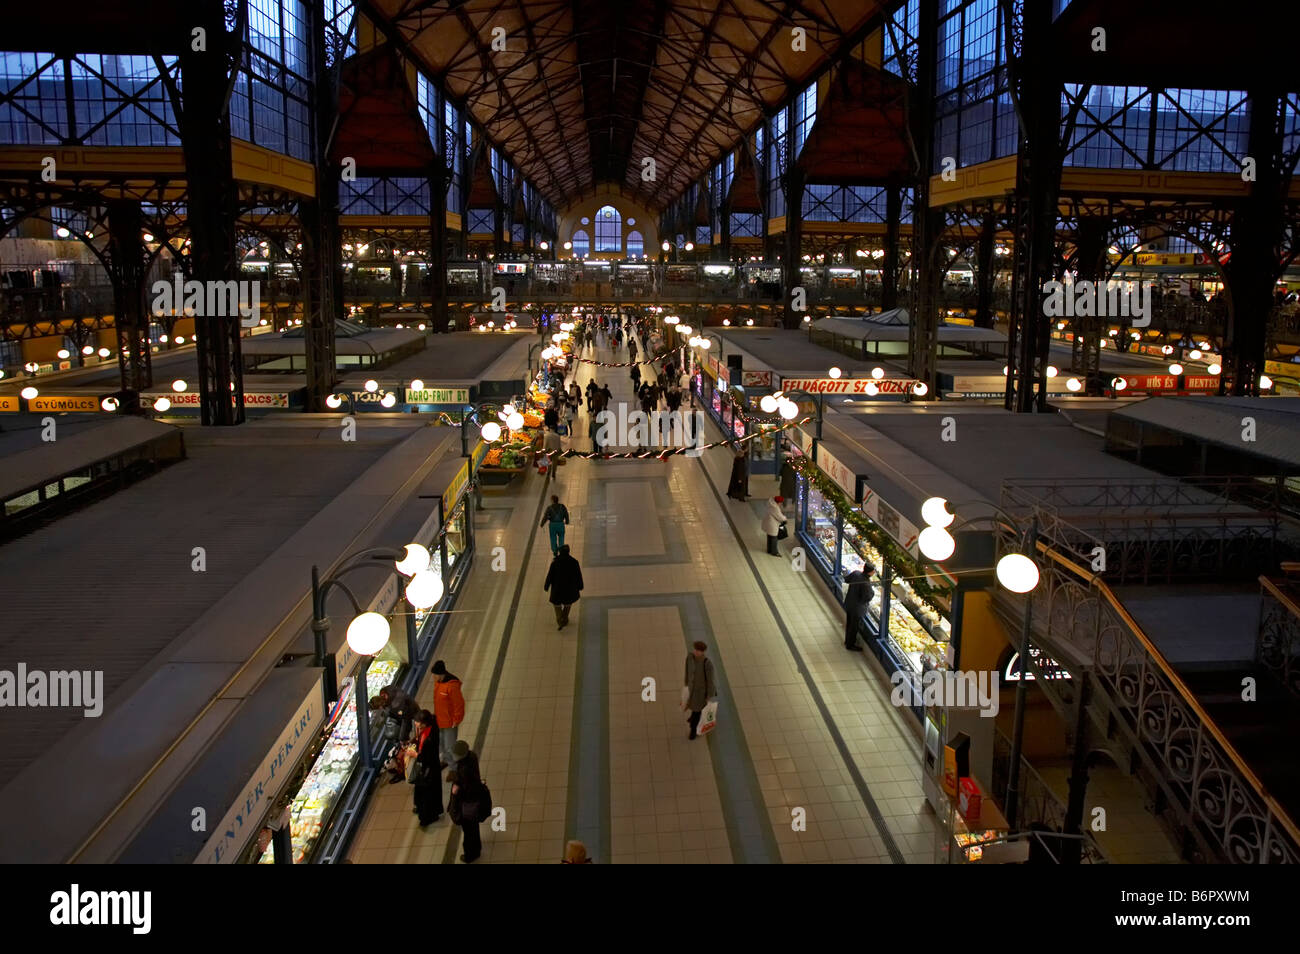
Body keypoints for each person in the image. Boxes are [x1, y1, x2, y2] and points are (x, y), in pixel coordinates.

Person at [447, 741, 486, 863]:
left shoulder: (464, 770)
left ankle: (471, 854)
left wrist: (455, 791)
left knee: (469, 832)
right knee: (474, 828)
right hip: (475, 801)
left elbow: (465, 789)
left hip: (468, 805)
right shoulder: (472, 757)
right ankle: (476, 848)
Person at [411, 709, 444, 827]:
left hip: (430, 769)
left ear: (424, 723)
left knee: (428, 794)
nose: (416, 724)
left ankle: (428, 816)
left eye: (418, 722)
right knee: (422, 792)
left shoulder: (430, 737)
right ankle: (421, 809)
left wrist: (416, 755)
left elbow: (427, 757)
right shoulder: (427, 729)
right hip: (428, 768)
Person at [430, 660, 466, 765]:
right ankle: (446, 760)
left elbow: (459, 704)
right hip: (439, 719)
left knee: (450, 746)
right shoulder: (438, 683)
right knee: (440, 743)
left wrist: (457, 719)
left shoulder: (452, 686)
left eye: (434, 675)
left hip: (450, 722)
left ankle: (453, 768)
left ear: (441, 674)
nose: (433, 677)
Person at [681, 640, 717, 741]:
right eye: (696, 650)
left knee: (697, 710)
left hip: (700, 692)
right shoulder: (690, 658)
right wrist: (686, 683)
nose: (697, 652)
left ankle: (693, 730)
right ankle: (693, 716)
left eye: (699, 651)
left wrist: (709, 695)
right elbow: (687, 670)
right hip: (691, 688)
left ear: (703, 651)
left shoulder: (707, 663)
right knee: (692, 706)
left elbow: (710, 680)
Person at [543, 543, 584, 630]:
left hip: (557, 590)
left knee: (557, 607)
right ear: (568, 552)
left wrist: (546, 586)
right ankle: (564, 619)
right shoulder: (574, 562)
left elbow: (550, 575)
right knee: (567, 606)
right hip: (569, 591)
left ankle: (560, 620)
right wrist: (580, 586)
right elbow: (578, 575)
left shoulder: (555, 563)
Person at [843, 567, 875, 652]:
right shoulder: (866, 583)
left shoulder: (856, 573)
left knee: (849, 623)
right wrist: (873, 593)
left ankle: (847, 641)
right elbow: (867, 597)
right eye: (873, 571)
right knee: (854, 626)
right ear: (870, 572)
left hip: (849, 603)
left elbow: (846, 579)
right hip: (857, 609)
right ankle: (850, 645)